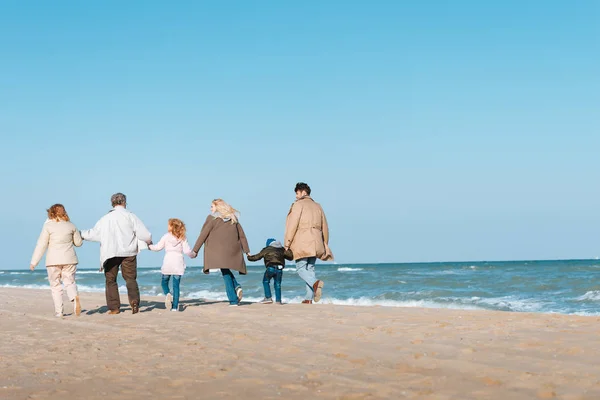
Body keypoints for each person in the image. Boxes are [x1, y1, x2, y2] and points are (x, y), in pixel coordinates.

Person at [81, 193, 152, 315]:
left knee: (111, 280)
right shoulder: (131, 216)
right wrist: (149, 241)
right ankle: (134, 303)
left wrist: (79, 234)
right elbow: (144, 234)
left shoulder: (105, 218)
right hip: (129, 252)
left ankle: (114, 308)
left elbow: (94, 233)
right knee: (130, 279)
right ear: (124, 202)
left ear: (112, 203)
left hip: (111, 252)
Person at [192, 199, 250, 307]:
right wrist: (247, 251)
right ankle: (237, 286)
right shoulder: (233, 219)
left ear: (218, 207)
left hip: (219, 252)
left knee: (225, 273)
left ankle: (233, 300)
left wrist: (195, 250)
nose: (210, 209)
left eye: (212, 206)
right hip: (232, 250)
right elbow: (242, 236)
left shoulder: (212, 219)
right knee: (226, 271)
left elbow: (203, 235)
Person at [30, 204, 83, 317]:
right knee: (69, 282)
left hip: (53, 260)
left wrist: (34, 262)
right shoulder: (71, 226)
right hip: (69, 259)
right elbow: (79, 243)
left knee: (55, 285)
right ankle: (74, 298)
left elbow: (41, 245)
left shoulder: (48, 226)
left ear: (51, 213)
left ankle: (59, 312)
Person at [284, 182, 333, 304]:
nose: (296, 196)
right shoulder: (318, 206)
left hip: (303, 240)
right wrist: (325, 243)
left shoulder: (298, 205)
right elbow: (325, 226)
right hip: (317, 242)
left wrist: (287, 243)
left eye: (297, 193)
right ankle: (308, 298)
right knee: (310, 269)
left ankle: (315, 283)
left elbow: (292, 225)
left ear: (303, 192)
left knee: (300, 269)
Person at [149, 218, 196, 312]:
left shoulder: (166, 236)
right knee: (176, 286)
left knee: (164, 282)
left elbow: (157, 247)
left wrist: (149, 245)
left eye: (168, 225)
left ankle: (167, 294)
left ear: (171, 226)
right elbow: (187, 251)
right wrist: (193, 255)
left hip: (168, 261)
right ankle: (174, 307)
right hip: (178, 262)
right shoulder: (182, 237)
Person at [247, 238, 293, 304]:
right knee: (278, 284)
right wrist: (288, 249)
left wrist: (249, 257)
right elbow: (291, 257)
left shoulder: (267, 249)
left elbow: (257, 257)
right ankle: (278, 301)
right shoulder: (282, 249)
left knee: (265, 281)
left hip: (270, 268)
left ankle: (268, 298)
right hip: (279, 269)